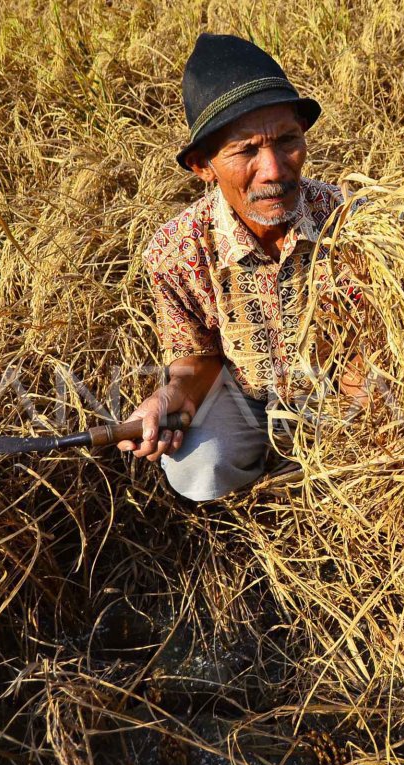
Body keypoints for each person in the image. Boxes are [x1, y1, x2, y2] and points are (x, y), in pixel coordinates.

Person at [117, 33, 365, 501]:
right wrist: (174, 397)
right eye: (246, 150)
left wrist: (356, 398)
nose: (274, 169)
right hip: (246, 392)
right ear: (202, 166)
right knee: (197, 470)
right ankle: (268, 476)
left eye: (288, 140)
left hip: (342, 387)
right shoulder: (176, 251)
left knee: (386, 439)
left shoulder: (355, 221)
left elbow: (383, 334)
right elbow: (197, 359)